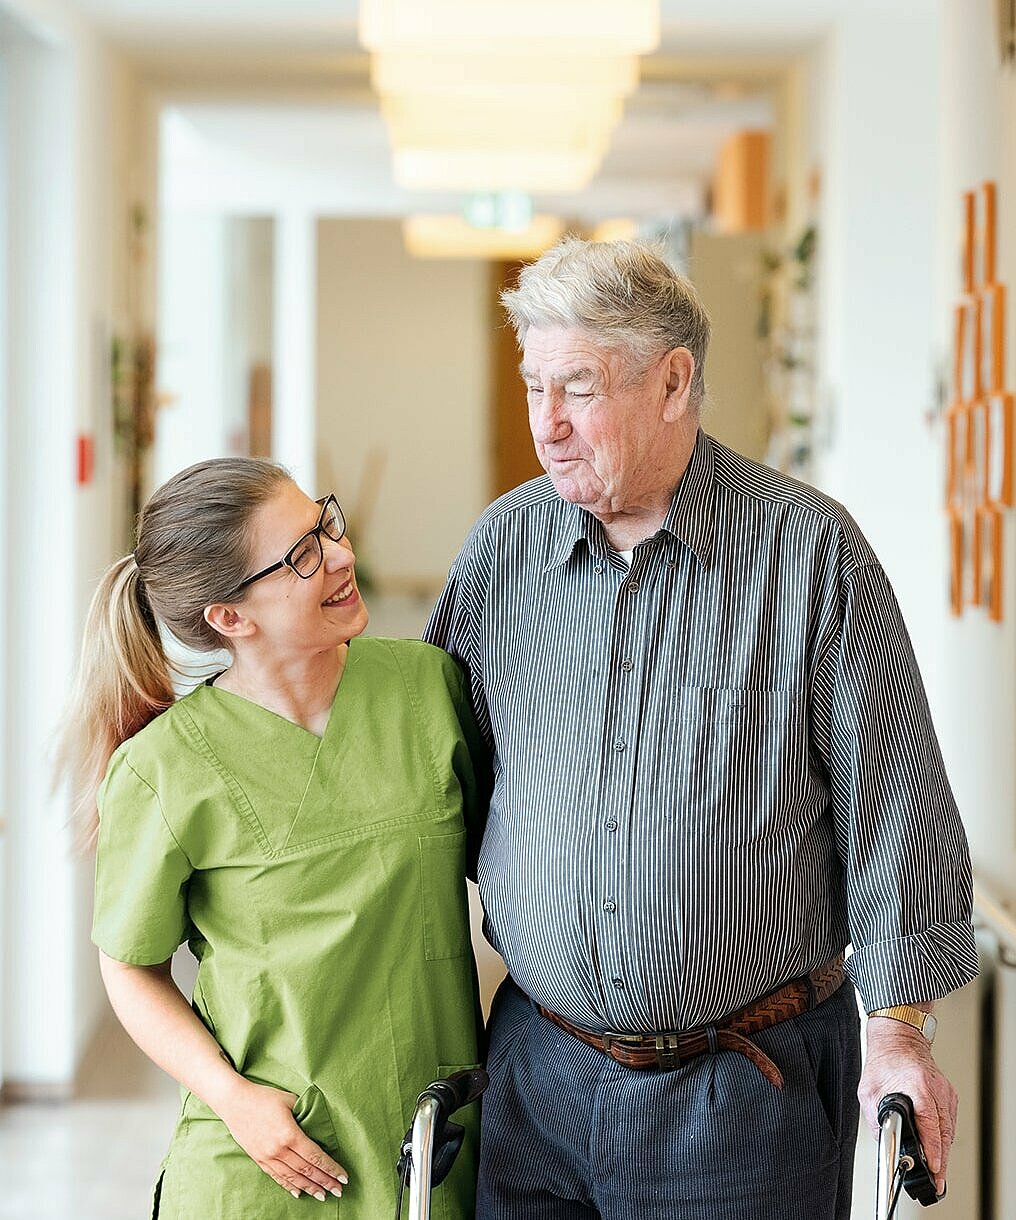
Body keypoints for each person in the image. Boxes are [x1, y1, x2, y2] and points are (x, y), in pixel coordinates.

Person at [424, 237, 978, 1220]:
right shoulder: (500, 550)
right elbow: (434, 773)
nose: (545, 424)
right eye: (531, 386)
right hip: (534, 1068)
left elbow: (893, 801)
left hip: (741, 1093)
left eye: (578, 388)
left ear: (672, 380)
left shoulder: (809, 553)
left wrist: (896, 1027)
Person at [58, 458, 488, 1219]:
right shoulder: (164, 769)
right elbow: (130, 968)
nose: (342, 555)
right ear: (230, 617)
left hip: (430, 1142)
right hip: (265, 1161)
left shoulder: (428, 687)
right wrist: (235, 1101)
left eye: (326, 524)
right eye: (302, 556)